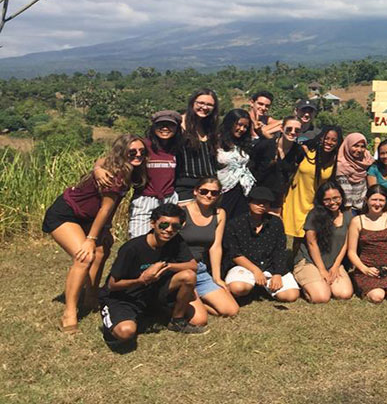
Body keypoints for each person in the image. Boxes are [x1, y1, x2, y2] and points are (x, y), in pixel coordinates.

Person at [42, 134, 147, 333]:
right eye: (132, 151)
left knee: (102, 251)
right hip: (66, 213)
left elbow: (101, 165)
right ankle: (69, 313)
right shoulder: (114, 175)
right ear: (121, 152)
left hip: (88, 217)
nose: (138, 155)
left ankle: (91, 297)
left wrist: (105, 230)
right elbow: (105, 209)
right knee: (84, 256)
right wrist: (90, 239)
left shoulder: (126, 169)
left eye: (142, 151)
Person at [99, 204, 207, 349]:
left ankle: (177, 320)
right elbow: (112, 285)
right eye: (164, 224)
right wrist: (141, 280)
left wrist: (165, 265)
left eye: (175, 227)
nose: (169, 230)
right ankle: (114, 322)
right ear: (153, 223)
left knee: (189, 277)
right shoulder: (132, 248)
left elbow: (193, 266)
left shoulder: (176, 240)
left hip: (153, 291)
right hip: (125, 297)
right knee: (126, 332)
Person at [94, 110, 180, 239]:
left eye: (170, 125)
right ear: (153, 127)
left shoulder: (176, 148)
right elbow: (111, 158)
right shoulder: (144, 146)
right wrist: (97, 169)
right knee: (138, 239)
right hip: (145, 199)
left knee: (166, 240)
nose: (165, 128)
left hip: (169, 198)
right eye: (160, 125)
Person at [223, 186, 301, 303]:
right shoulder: (235, 224)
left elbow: (280, 250)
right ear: (249, 202)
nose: (261, 206)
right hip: (246, 266)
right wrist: (256, 271)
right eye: (257, 202)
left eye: (265, 203)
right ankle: (252, 286)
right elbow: (235, 253)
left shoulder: (276, 222)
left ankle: (263, 287)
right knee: (238, 288)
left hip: (269, 265)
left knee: (291, 295)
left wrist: (277, 273)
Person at [179, 177, 240, 318]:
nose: (208, 195)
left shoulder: (219, 214)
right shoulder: (181, 212)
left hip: (199, 269)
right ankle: (177, 300)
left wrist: (217, 277)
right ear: (195, 191)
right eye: (204, 191)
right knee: (199, 319)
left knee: (231, 310)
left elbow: (215, 246)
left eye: (214, 193)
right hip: (181, 269)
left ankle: (194, 300)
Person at [292, 181, 354, 303]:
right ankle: (305, 283)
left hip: (332, 262)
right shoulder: (314, 215)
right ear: (321, 201)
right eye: (327, 199)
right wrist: (322, 270)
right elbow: (311, 243)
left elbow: (347, 244)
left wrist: (336, 266)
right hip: (310, 261)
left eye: (336, 198)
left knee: (344, 294)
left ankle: (320, 283)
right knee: (322, 297)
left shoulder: (348, 215)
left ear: (342, 196)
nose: (332, 202)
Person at [283, 125, 342, 253]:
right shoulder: (306, 151)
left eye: (334, 140)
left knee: (310, 237)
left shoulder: (334, 160)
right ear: (321, 138)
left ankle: (303, 263)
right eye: (327, 138)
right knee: (292, 238)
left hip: (315, 203)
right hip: (296, 199)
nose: (329, 142)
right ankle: (288, 264)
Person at [346, 185, 387, 304]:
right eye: (374, 200)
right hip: (367, 268)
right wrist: (365, 269)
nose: (378, 204)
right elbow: (351, 252)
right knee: (377, 297)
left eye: (381, 200)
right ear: (366, 200)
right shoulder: (358, 221)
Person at [249, 115, 303, 210]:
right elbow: (251, 164)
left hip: (279, 200)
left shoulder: (298, 151)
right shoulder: (265, 146)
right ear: (282, 129)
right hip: (258, 197)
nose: (293, 132)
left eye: (297, 130)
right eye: (289, 129)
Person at [175, 89, 219, 202]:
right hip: (185, 187)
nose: (204, 107)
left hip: (209, 188)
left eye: (209, 105)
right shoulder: (178, 125)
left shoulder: (210, 128)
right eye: (201, 103)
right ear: (192, 103)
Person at [216, 109, 256, 219]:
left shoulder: (244, 144)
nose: (242, 129)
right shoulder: (216, 142)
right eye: (239, 125)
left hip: (242, 190)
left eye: (245, 127)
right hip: (223, 190)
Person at [335, 132, 375, 212]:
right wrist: (349, 214)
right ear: (348, 145)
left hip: (365, 207)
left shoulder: (367, 160)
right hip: (347, 209)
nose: (359, 150)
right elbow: (346, 190)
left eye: (362, 146)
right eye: (355, 146)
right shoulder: (342, 165)